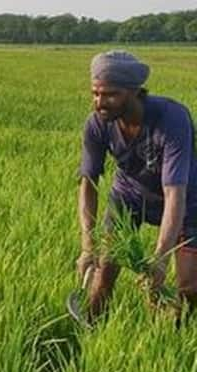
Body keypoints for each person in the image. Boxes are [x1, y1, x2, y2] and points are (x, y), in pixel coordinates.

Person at [76, 50, 197, 321]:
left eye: (110, 94)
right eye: (95, 93)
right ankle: (91, 331)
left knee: (189, 287)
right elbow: (88, 183)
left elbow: (174, 193)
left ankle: (174, 337)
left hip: (186, 201)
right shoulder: (97, 124)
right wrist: (87, 246)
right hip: (129, 196)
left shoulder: (172, 119)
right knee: (103, 273)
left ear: (134, 91)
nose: (99, 102)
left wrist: (161, 258)